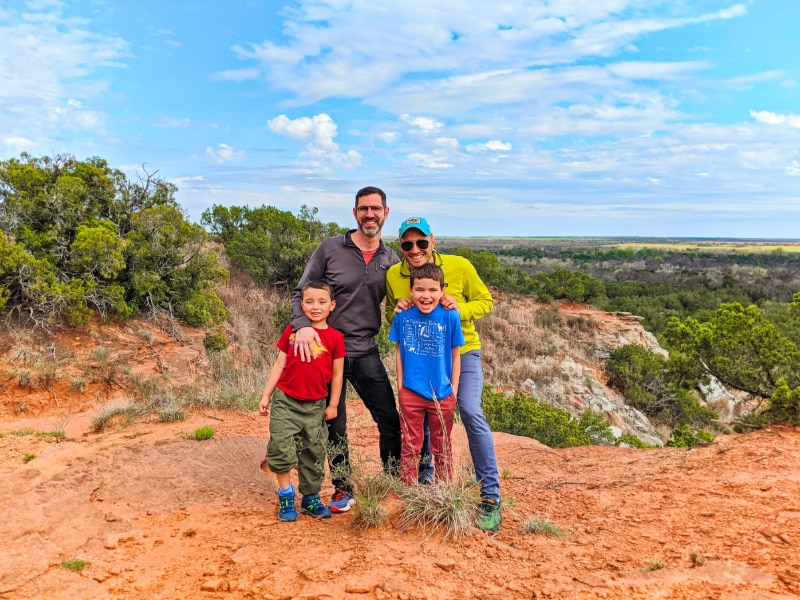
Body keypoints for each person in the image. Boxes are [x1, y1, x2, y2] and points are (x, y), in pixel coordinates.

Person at [385, 216, 503, 532]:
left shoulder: (460, 265)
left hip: (461, 352)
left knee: (468, 409)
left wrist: (456, 309)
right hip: (421, 356)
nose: (415, 249)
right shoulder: (395, 276)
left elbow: (485, 301)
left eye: (421, 242)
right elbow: (392, 317)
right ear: (401, 247)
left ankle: (490, 496)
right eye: (407, 244)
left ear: (432, 241)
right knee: (419, 414)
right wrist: (399, 308)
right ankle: (425, 482)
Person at [291, 186, 401, 513]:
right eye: (364, 209)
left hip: (365, 350)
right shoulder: (330, 249)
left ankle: (392, 481)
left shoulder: (390, 259)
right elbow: (301, 293)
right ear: (355, 213)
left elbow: (402, 300)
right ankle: (342, 488)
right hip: (327, 353)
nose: (370, 215)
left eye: (375, 209)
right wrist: (302, 328)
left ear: (385, 213)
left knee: (389, 420)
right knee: (333, 424)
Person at [258, 280, 345, 522]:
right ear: (302, 304)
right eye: (309, 301)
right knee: (282, 447)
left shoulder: (336, 338)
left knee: (313, 452)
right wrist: (266, 394)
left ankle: (311, 498)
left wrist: (333, 405)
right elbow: (279, 364)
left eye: (321, 301)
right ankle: (286, 494)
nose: (315, 307)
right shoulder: (292, 331)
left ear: (332, 305)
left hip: (316, 404)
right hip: (286, 401)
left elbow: (337, 374)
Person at [389, 263, 465, 485]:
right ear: (411, 290)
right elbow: (399, 352)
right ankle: (408, 490)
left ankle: (444, 491)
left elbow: (456, 355)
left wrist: (454, 391)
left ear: (442, 291)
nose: (426, 295)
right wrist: (401, 388)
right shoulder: (403, 317)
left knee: (442, 443)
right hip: (411, 391)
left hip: (442, 393)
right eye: (420, 289)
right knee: (411, 443)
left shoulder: (450, 317)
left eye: (433, 290)